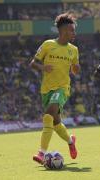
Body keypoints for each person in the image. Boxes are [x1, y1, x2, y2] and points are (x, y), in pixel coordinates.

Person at [30, 13, 80, 164]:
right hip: (46, 89)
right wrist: (43, 67)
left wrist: (76, 67)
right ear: (63, 30)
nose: (74, 33)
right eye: (72, 30)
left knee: (48, 116)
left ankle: (41, 153)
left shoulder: (74, 50)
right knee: (56, 123)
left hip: (62, 88)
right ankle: (70, 141)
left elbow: (75, 70)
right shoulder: (48, 45)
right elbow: (33, 63)